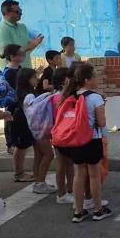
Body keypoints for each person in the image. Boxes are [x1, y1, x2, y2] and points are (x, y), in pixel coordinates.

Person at [56, 63, 112, 222]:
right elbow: (101, 123)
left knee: (78, 174)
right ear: (87, 80)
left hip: (75, 141)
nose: (97, 78)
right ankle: (98, 209)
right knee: (94, 176)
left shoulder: (70, 96)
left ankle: (78, 212)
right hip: (92, 140)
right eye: (94, 76)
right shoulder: (95, 97)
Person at [17, 68, 57, 194]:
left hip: (33, 129)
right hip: (38, 129)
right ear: (27, 80)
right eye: (34, 77)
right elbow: (36, 109)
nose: (37, 79)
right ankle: (40, 183)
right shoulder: (29, 95)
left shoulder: (26, 93)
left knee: (39, 156)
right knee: (48, 155)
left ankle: (38, 182)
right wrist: (48, 96)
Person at [0, 45, 33, 182]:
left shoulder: (19, 70)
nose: (23, 55)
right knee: (19, 145)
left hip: (22, 108)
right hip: (15, 110)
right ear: (12, 56)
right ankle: (19, 173)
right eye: (20, 53)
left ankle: (21, 171)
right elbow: (13, 92)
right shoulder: (8, 73)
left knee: (23, 145)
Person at [0, 0, 44, 69]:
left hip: (26, 69)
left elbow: (27, 48)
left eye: (20, 11)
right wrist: (33, 44)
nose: (21, 14)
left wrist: (36, 43)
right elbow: (8, 53)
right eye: (17, 12)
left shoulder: (22, 26)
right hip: (11, 71)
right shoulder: (1, 28)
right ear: (7, 13)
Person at [50, 67, 75, 204]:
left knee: (68, 164)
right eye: (69, 77)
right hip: (61, 135)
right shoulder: (59, 98)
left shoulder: (58, 96)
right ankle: (62, 193)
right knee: (62, 165)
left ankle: (70, 190)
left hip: (60, 135)